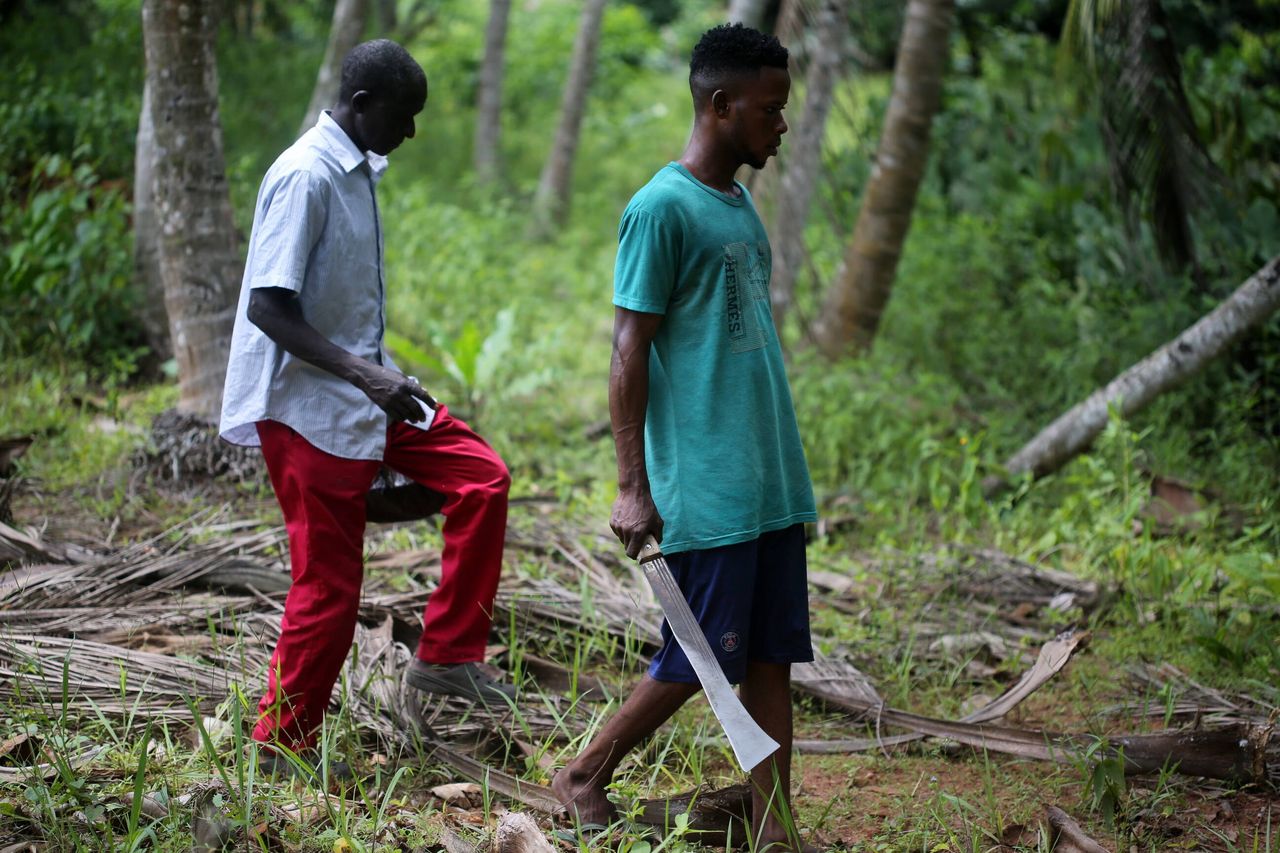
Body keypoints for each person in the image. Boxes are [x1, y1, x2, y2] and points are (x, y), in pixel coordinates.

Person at [551, 23, 818, 852]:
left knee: (769, 655)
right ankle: (584, 774)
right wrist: (634, 485)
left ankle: (775, 830)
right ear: (721, 104)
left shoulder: (737, 205)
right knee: (699, 656)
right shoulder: (660, 208)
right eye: (770, 110)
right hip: (705, 482)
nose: (780, 124)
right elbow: (628, 347)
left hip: (766, 474)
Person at [220, 39, 515, 771]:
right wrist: (364, 374)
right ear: (360, 105)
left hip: (365, 392)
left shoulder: (355, 170)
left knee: (481, 476)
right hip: (307, 407)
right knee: (328, 588)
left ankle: (446, 654)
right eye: (404, 116)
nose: (410, 133)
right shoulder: (305, 176)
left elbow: (338, 305)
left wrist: (378, 374)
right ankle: (279, 747)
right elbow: (268, 306)